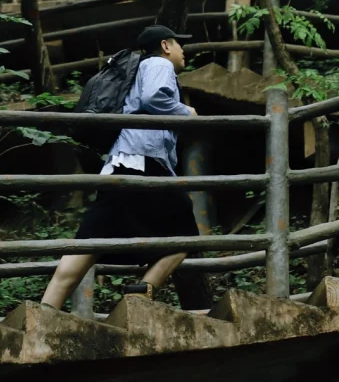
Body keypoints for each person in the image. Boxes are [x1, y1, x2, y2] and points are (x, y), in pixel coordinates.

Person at [40, 24, 212, 312]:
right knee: (185, 233)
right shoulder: (158, 63)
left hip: (121, 164)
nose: (184, 51)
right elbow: (154, 98)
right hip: (142, 163)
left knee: (88, 243)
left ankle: (44, 311)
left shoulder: (137, 73)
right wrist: (187, 112)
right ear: (166, 46)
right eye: (179, 44)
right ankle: (141, 293)